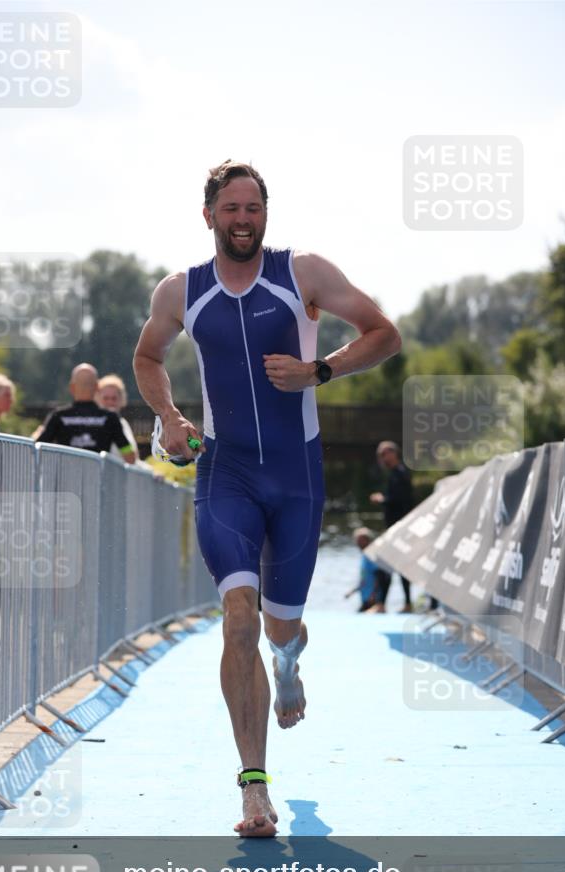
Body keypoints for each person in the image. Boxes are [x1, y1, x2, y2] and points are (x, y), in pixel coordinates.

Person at [133, 160, 400, 837]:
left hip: (295, 478)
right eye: (231, 208)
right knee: (237, 619)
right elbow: (148, 357)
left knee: (280, 628)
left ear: (265, 214)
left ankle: (287, 661)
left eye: (253, 208)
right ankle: (254, 788)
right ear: (208, 216)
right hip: (226, 474)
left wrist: (320, 370)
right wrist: (169, 416)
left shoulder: (301, 273)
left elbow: (383, 333)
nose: (243, 219)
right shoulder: (181, 290)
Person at [35, 364, 136, 464]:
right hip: (99, 474)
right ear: (97, 387)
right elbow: (129, 455)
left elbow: (36, 450)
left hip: (67, 473)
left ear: (71, 387)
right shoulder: (110, 418)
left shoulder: (59, 416)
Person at [369, 440, 414, 612]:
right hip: (395, 529)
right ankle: (403, 604)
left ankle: (384, 604)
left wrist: (382, 499)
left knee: (386, 565)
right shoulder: (396, 473)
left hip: (399, 529)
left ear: (394, 453)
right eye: (380, 455)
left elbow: (401, 501)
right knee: (396, 566)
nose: (382, 458)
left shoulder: (400, 474)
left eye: (384, 454)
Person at [96, 373, 140, 462]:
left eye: (114, 398)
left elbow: (133, 458)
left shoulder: (123, 423)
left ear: (121, 399)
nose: (110, 402)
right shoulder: (95, 424)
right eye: (106, 398)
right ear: (98, 399)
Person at [344, 527, 380, 612]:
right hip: (365, 597)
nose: (358, 543)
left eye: (360, 540)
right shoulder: (364, 556)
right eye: (357, 540)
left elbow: (379, 575)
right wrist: (353, 591)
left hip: (372, 598)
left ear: (367, 540)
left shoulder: (371, 556)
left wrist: (373, 594)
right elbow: (364, 579)